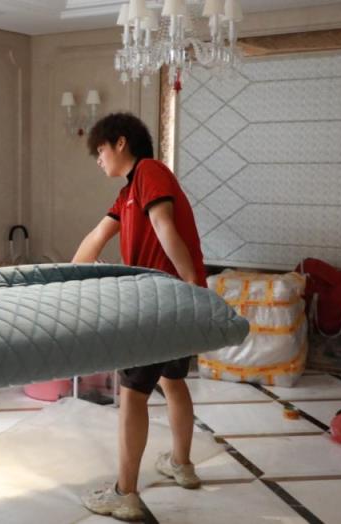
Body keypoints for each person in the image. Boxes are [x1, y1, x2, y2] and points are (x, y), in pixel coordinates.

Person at [74, 112, 205, 521]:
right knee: (173, 380)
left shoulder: (149, 171)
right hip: (171, 302)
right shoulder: (128, 192)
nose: (99, 160)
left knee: (132, 394)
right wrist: (66, 279)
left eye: (100, 150)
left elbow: (164, 227)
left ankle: (125, 493)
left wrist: (192, 286)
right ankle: (182, 464)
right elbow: (97, 236)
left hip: (159, 302)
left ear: (121, 143)